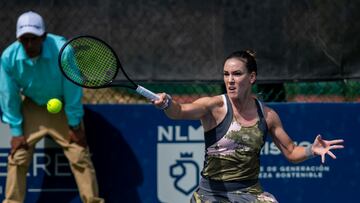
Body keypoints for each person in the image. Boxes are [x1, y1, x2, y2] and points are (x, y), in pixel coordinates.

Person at [153, 50, 344, 203]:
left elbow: (292, 152)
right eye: (226, 74)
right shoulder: (214, 107)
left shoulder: (268, 116)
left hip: (251, 193)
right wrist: (168, 103)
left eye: (237, 74)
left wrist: (312, 149)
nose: (230, 80)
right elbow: (180, 111)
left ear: (251, 77)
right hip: (211, 195)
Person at [0, 11, 104, 203]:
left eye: (34, 38)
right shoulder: (8, 58)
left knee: (79, 153)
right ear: (18, 39)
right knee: (18, 155)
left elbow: (72, 88)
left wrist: (74, 124)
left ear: (44, 36)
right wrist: (16, 130)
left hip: (64, 106)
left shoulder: (64, 50)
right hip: (32, 106)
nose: (30, 44)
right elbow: (9, 95)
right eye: (25, 39)